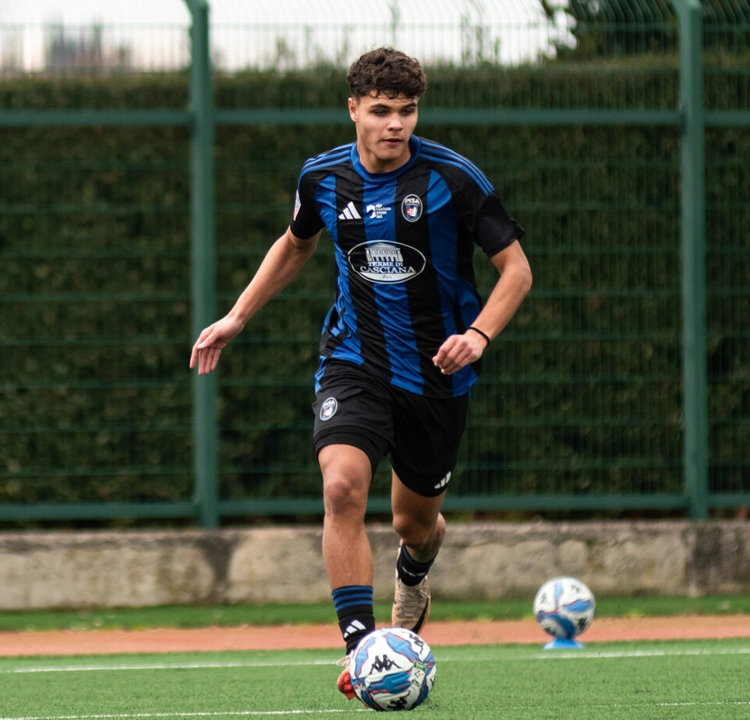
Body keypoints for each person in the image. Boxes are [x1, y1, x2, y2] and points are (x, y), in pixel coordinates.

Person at [189, 47, 531, 698]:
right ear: (353, 109)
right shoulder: (321, 178)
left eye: (406, 112)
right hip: (354, 361)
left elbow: (517, 270)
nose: (395, 124)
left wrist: (479, 334)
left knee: (415, 524)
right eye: (380, 111)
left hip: (437, 376)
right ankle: (364, 648)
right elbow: (296, 242)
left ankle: (414, 576)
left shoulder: (453, 180)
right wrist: (237, 316)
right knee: (343, 489)